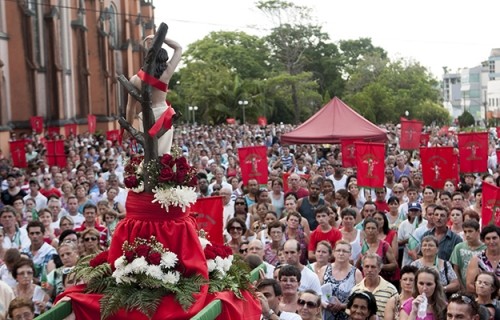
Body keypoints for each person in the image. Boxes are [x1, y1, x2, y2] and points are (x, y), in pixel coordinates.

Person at [125, 35, 182, 155]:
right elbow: (178, 48)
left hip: (146, 116)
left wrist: (128, 127)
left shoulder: (135, 79)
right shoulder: (167, 72)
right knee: (164, 153)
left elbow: (130, 108)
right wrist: (161, 38)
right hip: (164, 114)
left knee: (150, 153)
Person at [320, 240, 362, 320]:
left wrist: (342, 306)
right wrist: (323, 303)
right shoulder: (324, 270)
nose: (341, 253)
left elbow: (360, 299)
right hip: (325, 314)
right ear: (334, 252)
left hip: (347, 316)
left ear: (350, 254)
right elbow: (316, 293)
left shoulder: (356, 273)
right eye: (338, 250)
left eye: (344, 251)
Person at [351, 253, 398, 318]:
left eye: (373, 267)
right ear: (363, 268)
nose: (369, 270)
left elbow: (397, 315)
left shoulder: (391, 290)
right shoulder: (356, 290)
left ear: (379, 269)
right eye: (367, 266)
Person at [357, 218, 397, 283]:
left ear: (378, 230)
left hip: (381, 281)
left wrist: (379, 266)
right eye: (368, 228)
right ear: (364, 230)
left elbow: (394, 265)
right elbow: (356, 267)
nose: (370, 230)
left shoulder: (384, 245)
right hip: (363, 281)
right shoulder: (360, 245)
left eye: (373, 228)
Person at [449, 219, 486, 289]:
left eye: (470, 231)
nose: (467, 235)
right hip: (463, 286)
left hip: (482, 286)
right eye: (465, 232)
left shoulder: (485, 248)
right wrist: (462, 287)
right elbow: (456, 270)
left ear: (478, 231)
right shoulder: (459, 247)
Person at [466, 225, 500, 293]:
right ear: (483, 241)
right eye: (488, 239)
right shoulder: (477, 260)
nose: (491, 241)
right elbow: (469, 285)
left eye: (494, 238)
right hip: (483, 300)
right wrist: (489, 293)